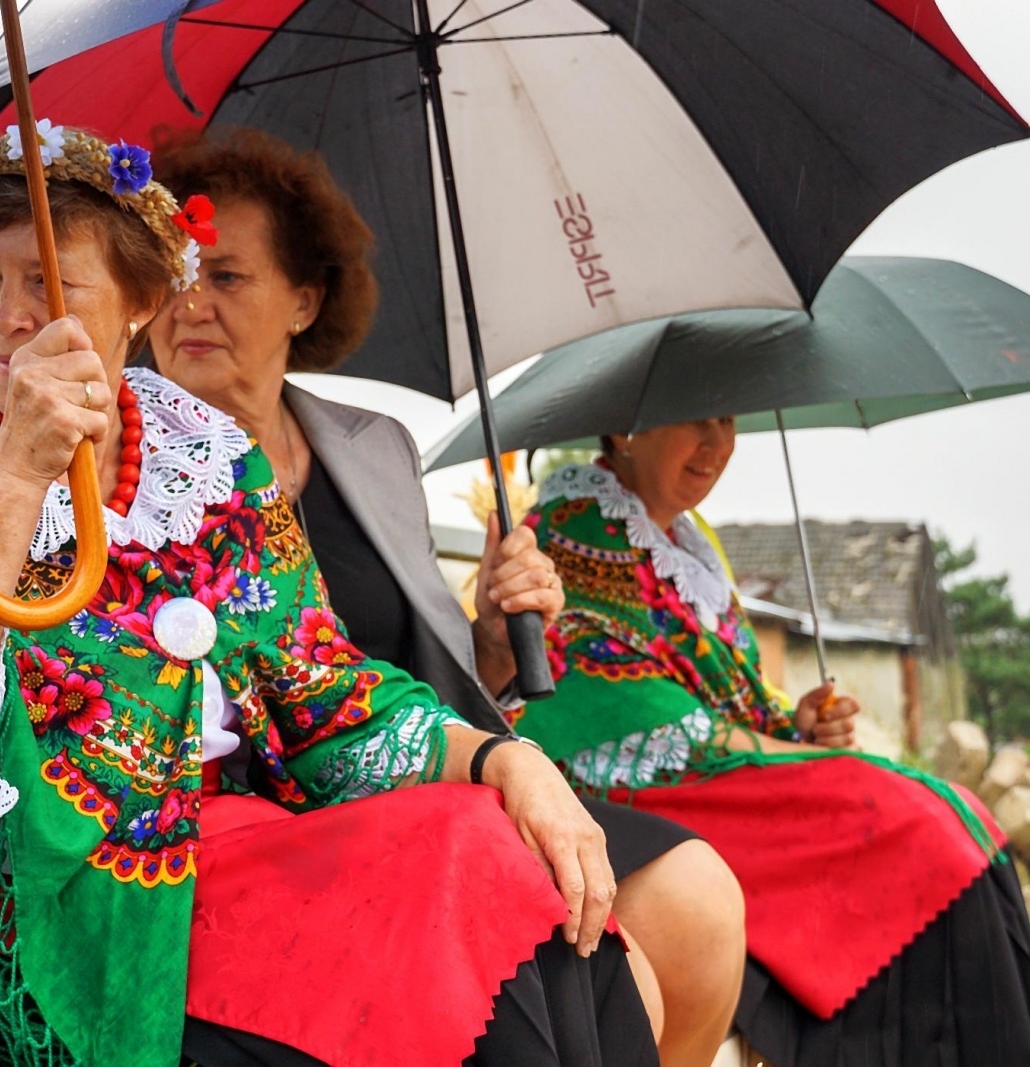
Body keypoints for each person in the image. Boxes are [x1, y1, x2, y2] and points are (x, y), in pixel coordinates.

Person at [0, 124, 657, 1067]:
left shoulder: (206, 453)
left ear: (142, 302)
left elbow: (321, 690)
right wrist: (15, 474)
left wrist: (502, 761)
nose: (8, 316)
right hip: (23, 915)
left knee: (500, 865)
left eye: (51, 283)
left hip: (224, 865)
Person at [146, 128, 744, 1067]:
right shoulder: (120, 452)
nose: (190, 302)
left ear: (305, 299)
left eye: (227, 277)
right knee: (624, 980)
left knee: (693, 897)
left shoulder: (373, 447)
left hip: (424, 770)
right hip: (274, 815)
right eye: (173, 271)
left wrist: (499, 643)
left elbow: (433, 676)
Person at [514, 418, 1030, 1065]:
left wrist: (797, 727)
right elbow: (621, 707)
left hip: (724, 767)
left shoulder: (690, 545)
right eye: (694, 416)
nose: (716, 443)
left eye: (726, 421)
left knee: (950, 809)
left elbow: (736, 688)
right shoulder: (574, 525)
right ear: (624, 428)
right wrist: (788, 750)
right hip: (655, 791)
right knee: (914, 819)